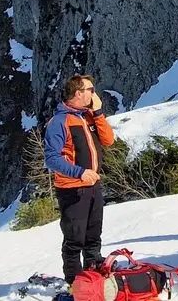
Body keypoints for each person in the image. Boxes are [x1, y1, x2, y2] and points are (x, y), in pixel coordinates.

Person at [44, 75, 116, 287]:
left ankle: (94, 277)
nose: (94, 93)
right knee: (74, 239)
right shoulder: (59, 121)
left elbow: (109, 140)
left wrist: (99, 113)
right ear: (78, 93)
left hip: (93, 186)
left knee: (94, 235)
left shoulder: (88, 117)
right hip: (72, 189)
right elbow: (52, 159)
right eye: (90, 90)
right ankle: (75, 285)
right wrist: (79, 172)